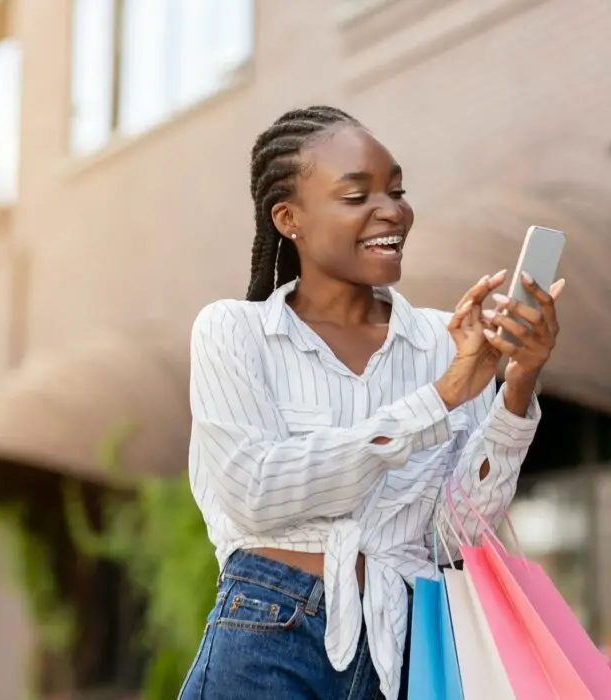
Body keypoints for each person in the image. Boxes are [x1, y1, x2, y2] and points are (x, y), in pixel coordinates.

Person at [182, 106, 564, 700]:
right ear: (289, 219)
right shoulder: (235, 331)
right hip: (269, 630)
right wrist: (436, 402)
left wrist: (515, 388)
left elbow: (454, 536)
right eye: (357, 194)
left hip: (405, 647)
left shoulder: (446, 343)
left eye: (397, 190)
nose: (392, 210)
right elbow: (256, 493)